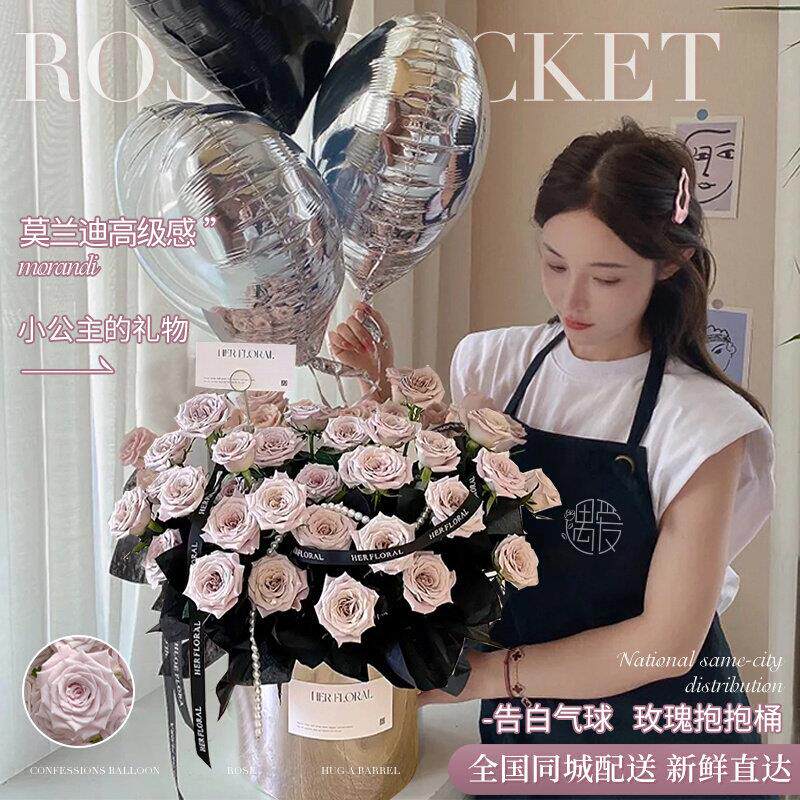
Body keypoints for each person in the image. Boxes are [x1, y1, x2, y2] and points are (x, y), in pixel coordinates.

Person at [328, 117, 777, 800]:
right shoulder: (493, 362)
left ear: (669, 264)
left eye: (607, 277)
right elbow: (454, 520)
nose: (572, 299)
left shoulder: (705, 422)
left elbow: (666, 643)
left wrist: (483, 677)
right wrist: (382, 391)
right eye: (555, 264)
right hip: (530, 729)